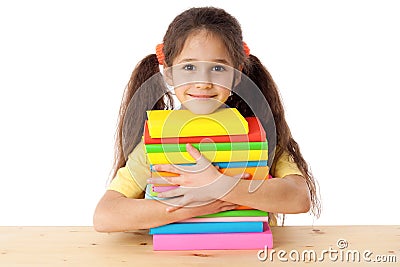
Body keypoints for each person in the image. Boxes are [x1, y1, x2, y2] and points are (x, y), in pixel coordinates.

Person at [93, 7, 320, 232]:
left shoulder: (258, 134)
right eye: (189, 67)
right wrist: (194, 206)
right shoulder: (159, 140)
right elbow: (105, 216)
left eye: (218, 68)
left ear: (237, 74)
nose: (203, 82)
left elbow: (299, 197)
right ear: (170, 73)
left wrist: (219, 186)